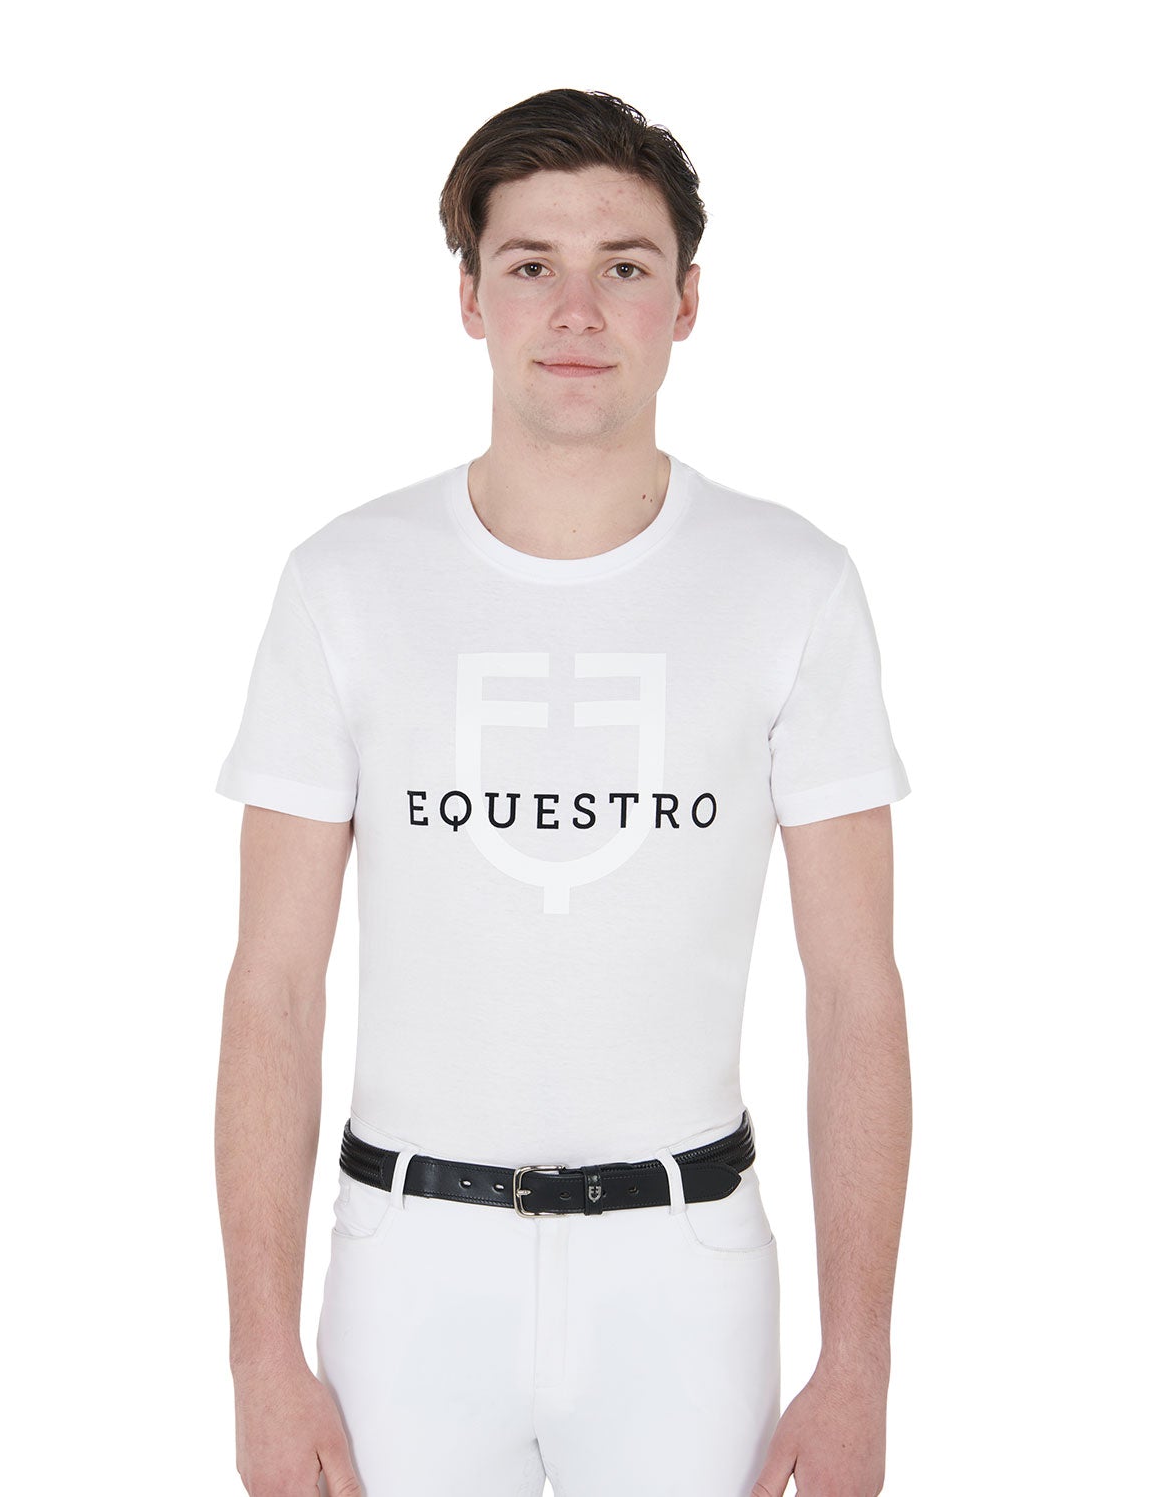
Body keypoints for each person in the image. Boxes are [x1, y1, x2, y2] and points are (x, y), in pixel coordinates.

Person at [213, 87, 912, 1497]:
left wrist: (859, 1365)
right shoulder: (346, 584)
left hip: (689, 1275)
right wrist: (258, 1360)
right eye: (531, 264)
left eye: (625, 267)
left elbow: (856, 993)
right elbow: (272, 990)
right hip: (406, 1269)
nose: (577, 310)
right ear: (471, 298)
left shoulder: (792, 586)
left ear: (687, 302)